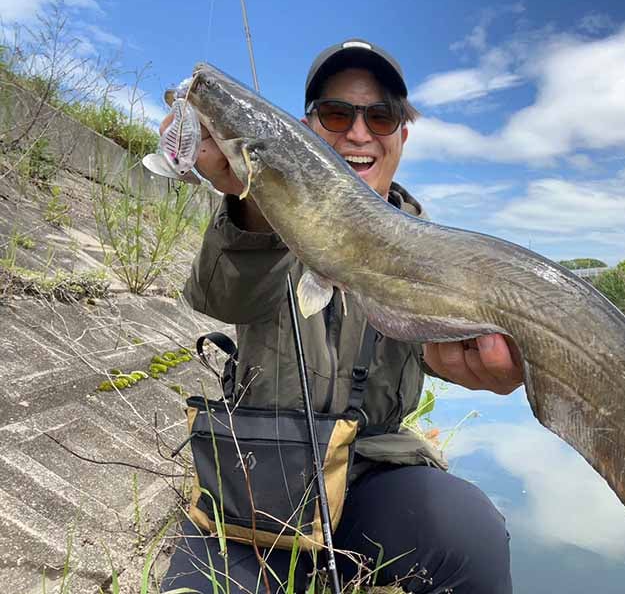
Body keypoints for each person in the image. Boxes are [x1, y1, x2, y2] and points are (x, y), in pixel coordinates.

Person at [161, 39, 521, 593]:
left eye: (381, 116)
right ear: (308, 126)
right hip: (255, 481)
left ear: (403, 132)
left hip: (374, 475)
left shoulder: (433, 251)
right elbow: (221, 299)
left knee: (470, 534)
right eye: (336, 113)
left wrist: (475, 364)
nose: (358, 133)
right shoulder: (262, 215)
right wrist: (253, 200)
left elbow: (443, 353)